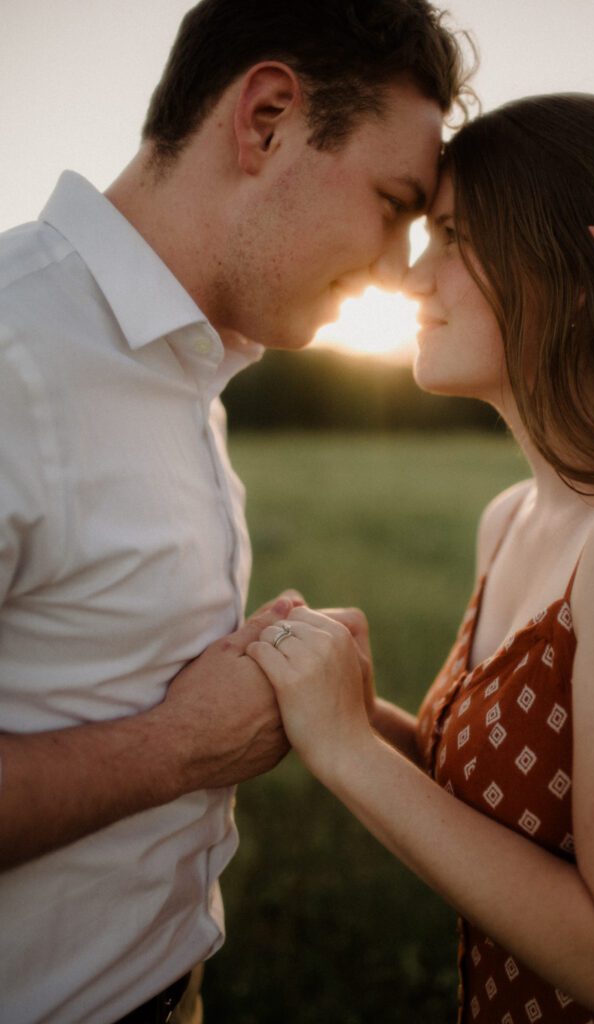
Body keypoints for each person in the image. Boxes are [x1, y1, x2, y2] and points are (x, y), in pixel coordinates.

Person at [0, 2, 469, 1021]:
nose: (399, 269)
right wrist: (177, 746)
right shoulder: (14, 356)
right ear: (265, 119)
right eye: (394, 204)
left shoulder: (185, 368)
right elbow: (173, 730)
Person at [248, 93, 594, 1023]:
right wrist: (358, 713)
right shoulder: (512, 517)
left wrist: (348, 753)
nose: (411, 281)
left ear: (576, 271)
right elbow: (505, 812)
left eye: (450, 237)